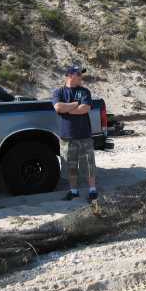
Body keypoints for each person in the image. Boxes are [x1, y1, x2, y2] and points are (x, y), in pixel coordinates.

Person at [52, 63, 98, 202]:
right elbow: (58, 107)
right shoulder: (58, 92)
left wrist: (68, 109)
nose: (81, 77)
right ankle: (73, 191)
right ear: (70, 75)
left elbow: (85, 108)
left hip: (84, 135)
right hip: (67, 136)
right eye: (78, 74)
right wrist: (75, 104)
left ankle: (92, 190)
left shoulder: (84, 92)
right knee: (71, 166)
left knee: (89, 165)